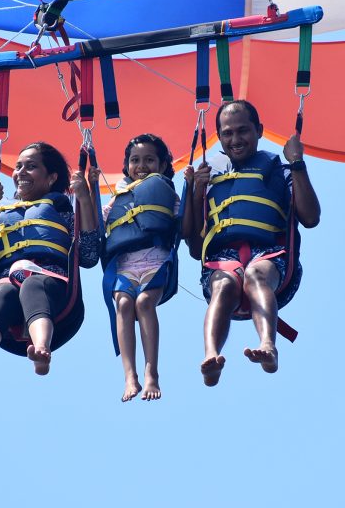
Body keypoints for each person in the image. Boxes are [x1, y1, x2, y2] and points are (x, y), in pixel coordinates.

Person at [183, 99, 321, 386]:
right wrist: (196, 192)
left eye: (243, 131)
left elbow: (310, 217)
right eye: (227, 133)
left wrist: (296, 163)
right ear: (219, 137)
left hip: (270, 254)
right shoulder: (207, 176)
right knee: (224, 283)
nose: (235, 139)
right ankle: (211, 357)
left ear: (258, 130)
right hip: (222, 256)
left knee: (256, 274)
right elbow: (196, 249)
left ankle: (268, 346)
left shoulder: (278, 169)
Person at [0, 142, 99, 380]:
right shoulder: (2, 215)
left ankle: (41, 349)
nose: (20, 172)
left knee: (33, 285)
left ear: (51, 177)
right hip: (7, 285)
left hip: (53, 288)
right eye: (18, 166)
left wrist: (84, 199)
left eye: (31, 166)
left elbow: (88, 255)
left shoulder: (62, 211)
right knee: (2, 292)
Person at [100, 134, 181, 402]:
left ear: (161, 164)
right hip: (123, 265)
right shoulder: (115, 199)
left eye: (149, 160)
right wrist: (86, 192)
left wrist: (194, 186)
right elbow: (99, 225)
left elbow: (183, 219)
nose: (141, 165)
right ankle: (129, 376)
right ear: (126, 165)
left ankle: (151, 373)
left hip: (156, 260)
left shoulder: (167, 191)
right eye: (135, 160)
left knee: (145, 303)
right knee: (124, 304)